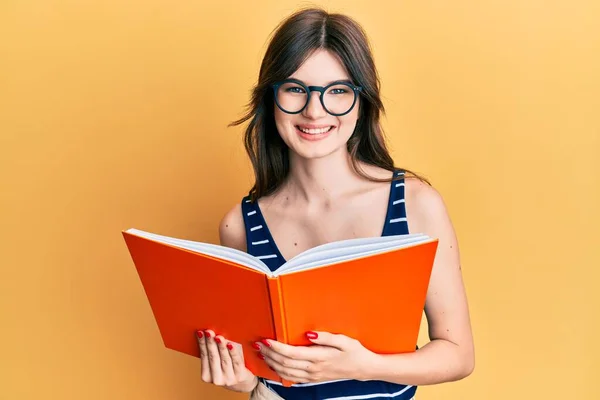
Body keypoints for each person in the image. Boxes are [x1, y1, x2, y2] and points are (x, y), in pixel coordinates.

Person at [196, 7, 474, 400]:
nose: (314, 110)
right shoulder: (240, 225)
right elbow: (264, 378)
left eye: (338, 91)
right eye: (295, 89)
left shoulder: (415, 204)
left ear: (361, 102)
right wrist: (245, 382)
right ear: (271, 98)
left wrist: (365, 366)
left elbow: (459, 355)